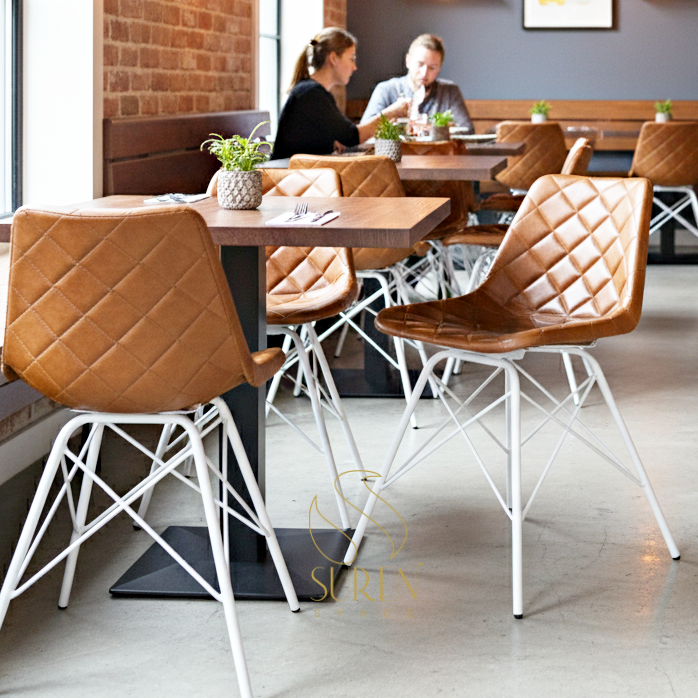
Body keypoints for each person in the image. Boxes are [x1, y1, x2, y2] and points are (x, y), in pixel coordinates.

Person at [271, 28, 409, 159]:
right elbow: (352, 137)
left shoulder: (311, 91)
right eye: (351, 59)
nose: (354, 67)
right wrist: (392, 112)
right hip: (288, 173)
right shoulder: (312, 94)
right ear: (333, 58)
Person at [360, 34, 474, 133]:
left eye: (432, 67)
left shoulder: (449, 92)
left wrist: (433, 128)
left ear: (439, 68)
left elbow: (467, 130)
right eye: (420, 64)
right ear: (408, 61)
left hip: (438, 152)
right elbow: (364, 132)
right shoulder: (386, 90)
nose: (424, 73)